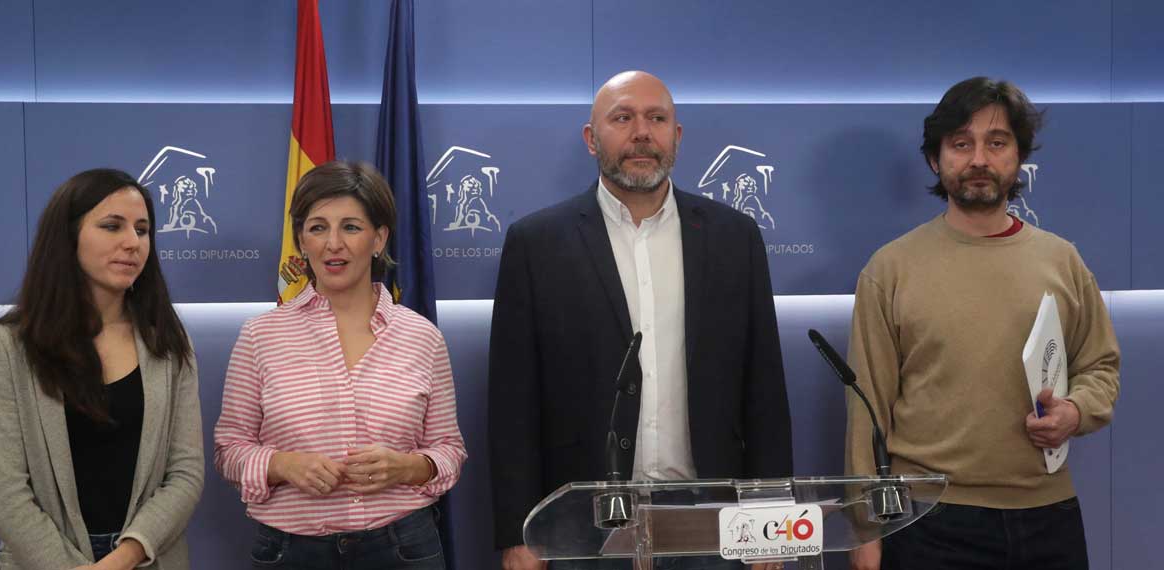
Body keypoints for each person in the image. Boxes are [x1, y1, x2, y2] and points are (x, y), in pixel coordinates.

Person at [488, 70, 793, 570]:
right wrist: (519, 531)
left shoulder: (734, 236)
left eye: (657, 118)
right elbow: (512, 402)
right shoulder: (537, 243)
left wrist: (772, 515)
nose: (641, 132)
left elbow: (763, 386)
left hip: (714, 519)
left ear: (677, 134)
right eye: (622, 118)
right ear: (591, 138)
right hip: (581, 524)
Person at [845, 77, 1120, 570]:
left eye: (997, 143)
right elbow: (868, 408)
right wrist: (866, 528)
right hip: (927, 519)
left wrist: (1076, 413)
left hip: (1047, 515)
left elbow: (1100, 366)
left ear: (1019, 157)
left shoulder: (1063, 261)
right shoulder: (889, 269)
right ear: (936, 159)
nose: (979, 159)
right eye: (961, 144)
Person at [214, 160, 467, 568]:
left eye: (350, 227)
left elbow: (450, 450)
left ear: (379, 238)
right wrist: (282, 464)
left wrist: (407, 467)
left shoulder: (423, 337)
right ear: (301, 239)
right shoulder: (260, 336)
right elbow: (229, 450)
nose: (333, 243)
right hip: (290, 551)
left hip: (403, 548)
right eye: (317, 228)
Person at [0, 168, 203, 569]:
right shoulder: (8, 347)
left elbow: (185, 473)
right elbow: (6, 494)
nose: (132, 242)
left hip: (148, 558)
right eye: (112, 226)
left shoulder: (167, 340)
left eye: (143, 229)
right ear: (68, 237)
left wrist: (126, 555)